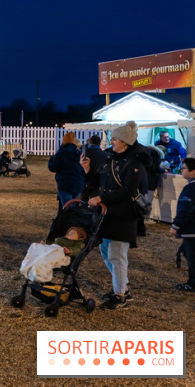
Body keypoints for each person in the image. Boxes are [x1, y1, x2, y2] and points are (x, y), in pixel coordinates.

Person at [81, 120, 148, 309]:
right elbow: (99, 182)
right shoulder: (111, 158)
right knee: (106, 252)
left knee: (117, 255)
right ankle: (122, 287)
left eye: (115, 138)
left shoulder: (135, 163)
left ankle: (121, 296)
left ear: (125, 141)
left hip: (124, 215)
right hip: (108, 214)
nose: (111, 141)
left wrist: (101, 198)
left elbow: (128, 190)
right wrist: (87, 170)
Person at [169, 157, 195, 292]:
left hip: (191, 229)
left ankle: (192, 283)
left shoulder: (191, 188)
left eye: (184, 168)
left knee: (192, 257)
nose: (181, 170)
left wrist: (175, 226)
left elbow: (186, 209)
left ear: (193, 172)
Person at [48, 132, 85, 212]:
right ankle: (74, 223)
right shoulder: (78, 152)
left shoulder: (61, 152)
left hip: (65, 184)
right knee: (75, 208)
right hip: (78, 183)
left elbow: (53, 167)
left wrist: (51, 159)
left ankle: (65, 223)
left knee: (66, 208)